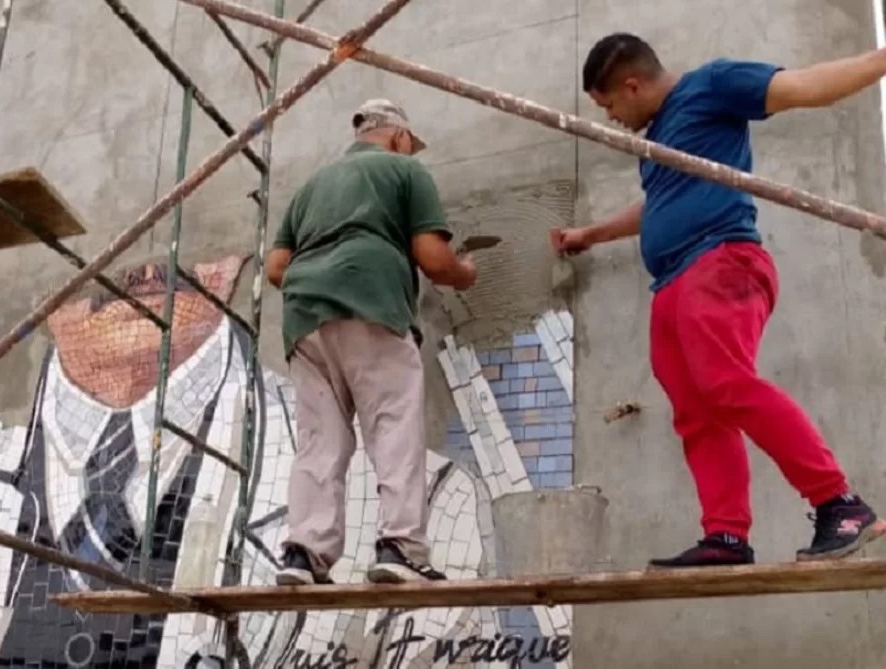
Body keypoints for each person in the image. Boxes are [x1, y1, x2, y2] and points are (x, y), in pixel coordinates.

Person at [552, 33, 886, 567]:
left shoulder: (713, 85)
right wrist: (590, 234)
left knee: (727, 385)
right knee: (697, 412)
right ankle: (726, 535)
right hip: (673, 282)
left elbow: (802, 87)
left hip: (720, 261)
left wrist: (880, 59)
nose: (611, 117)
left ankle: (841, 505)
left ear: (631, 85)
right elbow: (659, 203)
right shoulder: (660, 137)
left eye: (609, 104)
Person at [265, 98, 478, 585]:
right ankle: (400, 549)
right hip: (371, 302)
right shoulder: (404, 172)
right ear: (400, 136)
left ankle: (304, 554)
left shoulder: (312, 187)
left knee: (321, 439)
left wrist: (321, 279)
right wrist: (465, 273)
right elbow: (434, 257)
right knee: (393, 425)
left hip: (305, 318)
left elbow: (277, 269)